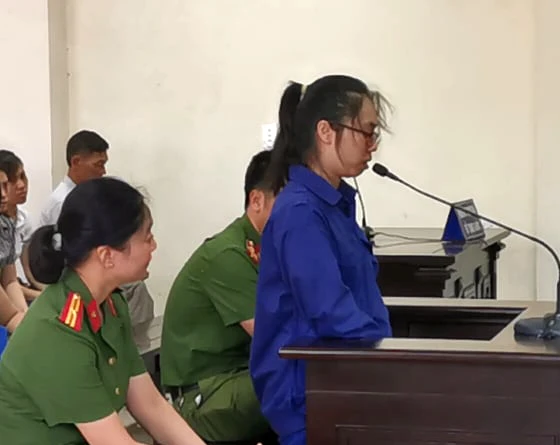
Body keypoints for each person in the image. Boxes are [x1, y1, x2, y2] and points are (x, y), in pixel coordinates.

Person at [0, 176, 207, 445]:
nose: (154, 245)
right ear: (107, 255)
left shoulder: (110, 304)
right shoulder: (58, 331)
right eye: (147, 237)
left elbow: (150, 405)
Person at [250, 75, 394, 445]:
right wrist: (394, 361)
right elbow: (330, 310)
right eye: (366, 132)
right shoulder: (301, 212)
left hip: (343, 382)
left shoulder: (333, 204)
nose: (372, 145)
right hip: (312, 394)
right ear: (326, 132)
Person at [160, 150, 277, 443]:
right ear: (256, 200)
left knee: (316, 381)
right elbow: (275, 338)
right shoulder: (229, 254)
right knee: (304, 384)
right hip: (204, 394)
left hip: (236, 377)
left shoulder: (264, 246)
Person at [37, 130, 155, 329]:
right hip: (76, 274)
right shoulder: (64, 202)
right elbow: (80, 253)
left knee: (132, 289)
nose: (103, 171)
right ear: (76, 162)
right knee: (133, 289)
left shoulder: (86, 198)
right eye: (98, 164)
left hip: (93, 267)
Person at [0, 150, 41, 301]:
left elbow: (25, 272)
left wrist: (44, 290)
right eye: (12, 181)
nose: (22, 185)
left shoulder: (23, 218)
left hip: (16, 288)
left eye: (23, 177)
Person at [0, 166, 24, 333]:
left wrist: (25, 314)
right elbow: (10, 317)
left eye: (4, 186)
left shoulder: (6, 224)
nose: (3, 194)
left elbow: (10, 280)